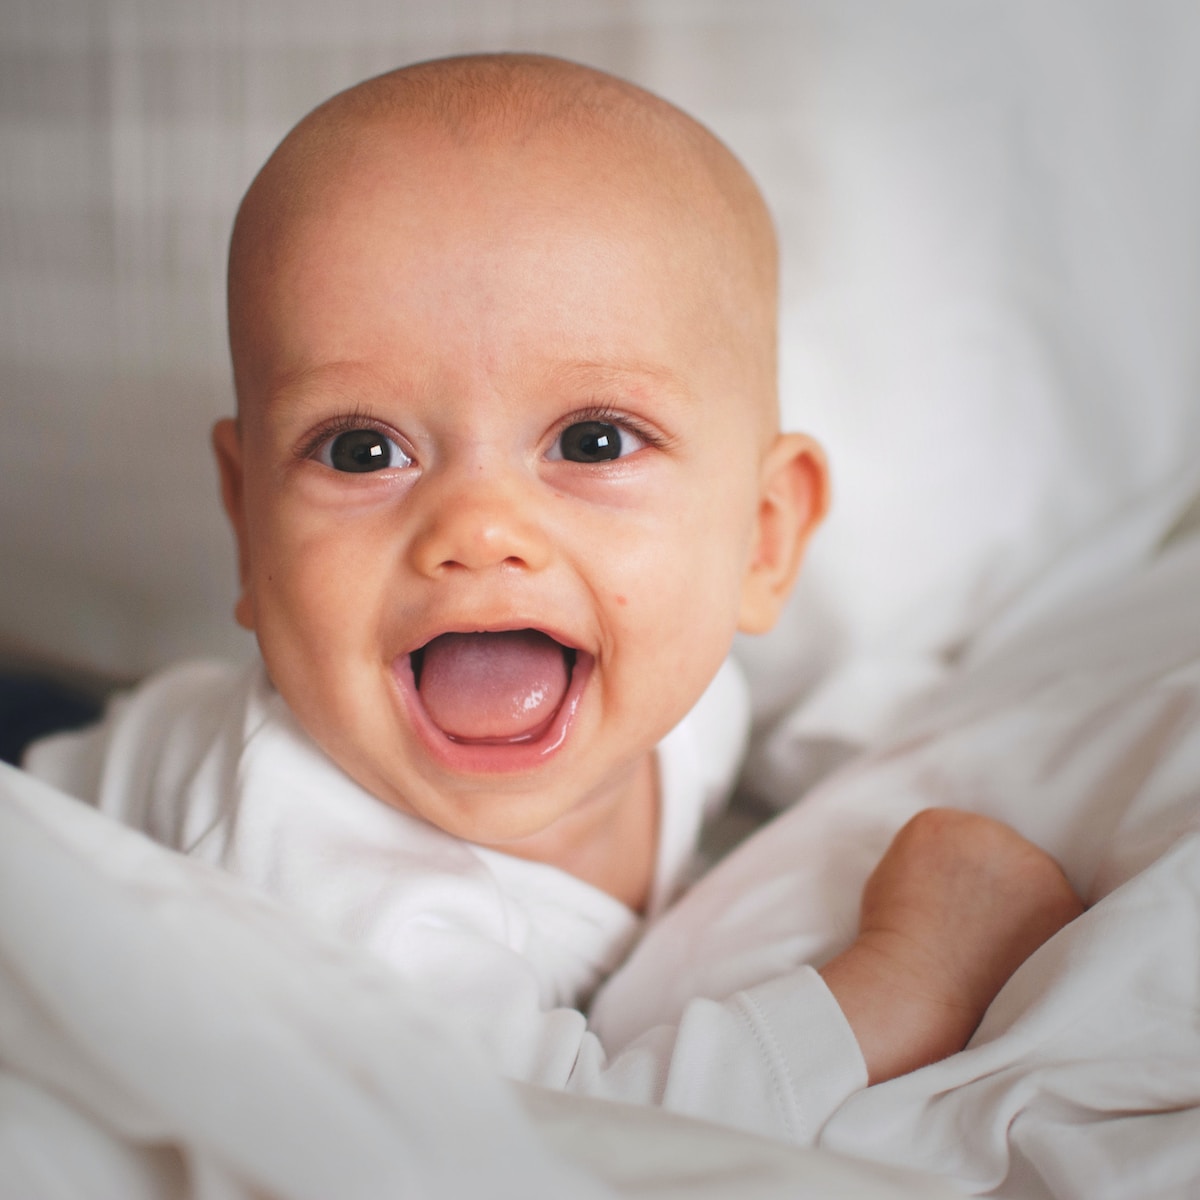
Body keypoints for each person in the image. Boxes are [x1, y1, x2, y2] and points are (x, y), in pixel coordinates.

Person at [24, 53, 1082, 1143]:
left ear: (760, 538)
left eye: (593, 440)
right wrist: (911, 978)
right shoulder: (325, 865)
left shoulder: (692, 692)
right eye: (361, 447)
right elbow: (556, 1140)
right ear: (248, 528)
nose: (477, 529)